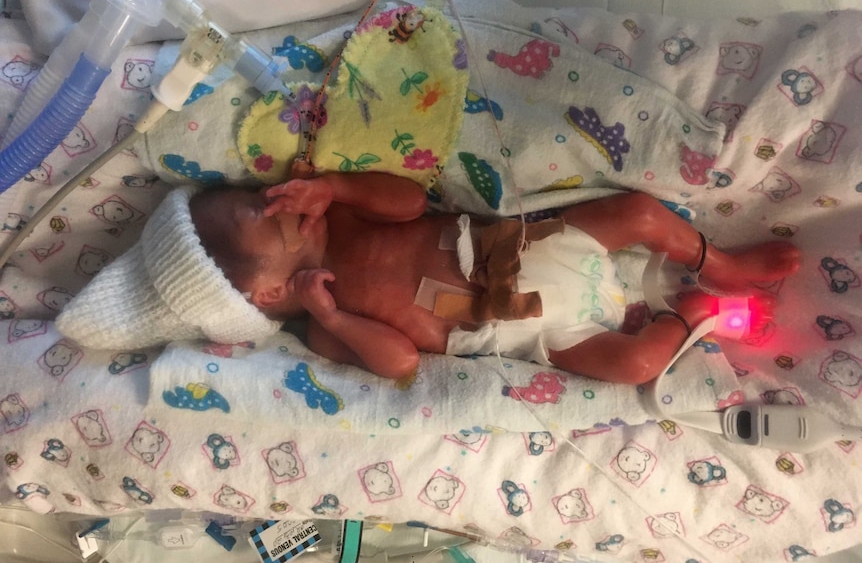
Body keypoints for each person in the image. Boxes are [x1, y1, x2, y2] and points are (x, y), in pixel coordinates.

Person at [57, 172, 800, 384]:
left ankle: (723, 262)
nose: (277, 197)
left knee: (639, 211)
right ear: (266, 295)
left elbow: (412, 199)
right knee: (637, 363)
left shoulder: (341, 218)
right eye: (266, 215)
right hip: (539, 331)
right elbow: (403, 360)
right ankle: (691, 314)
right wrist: (341, 320)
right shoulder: (322, 323)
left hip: (538, 244)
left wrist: (339, 190)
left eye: (263, 193)